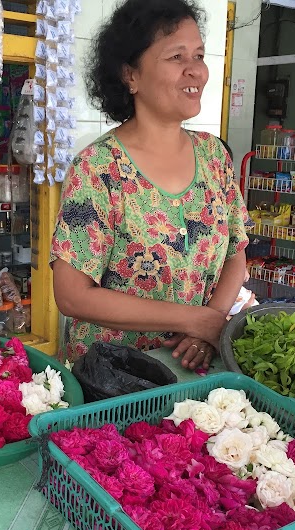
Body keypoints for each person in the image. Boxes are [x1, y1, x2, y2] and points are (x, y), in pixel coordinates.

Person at [51, 0, 249, 371]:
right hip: (114, 376)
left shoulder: (213, 157)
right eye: (176, 57)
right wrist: (192, 320)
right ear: (131, 75)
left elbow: (236, 253)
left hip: (194, 367)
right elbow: (73, 296)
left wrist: (208, 323)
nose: (196, 71)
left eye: (199, 55)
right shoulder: (98, 168)